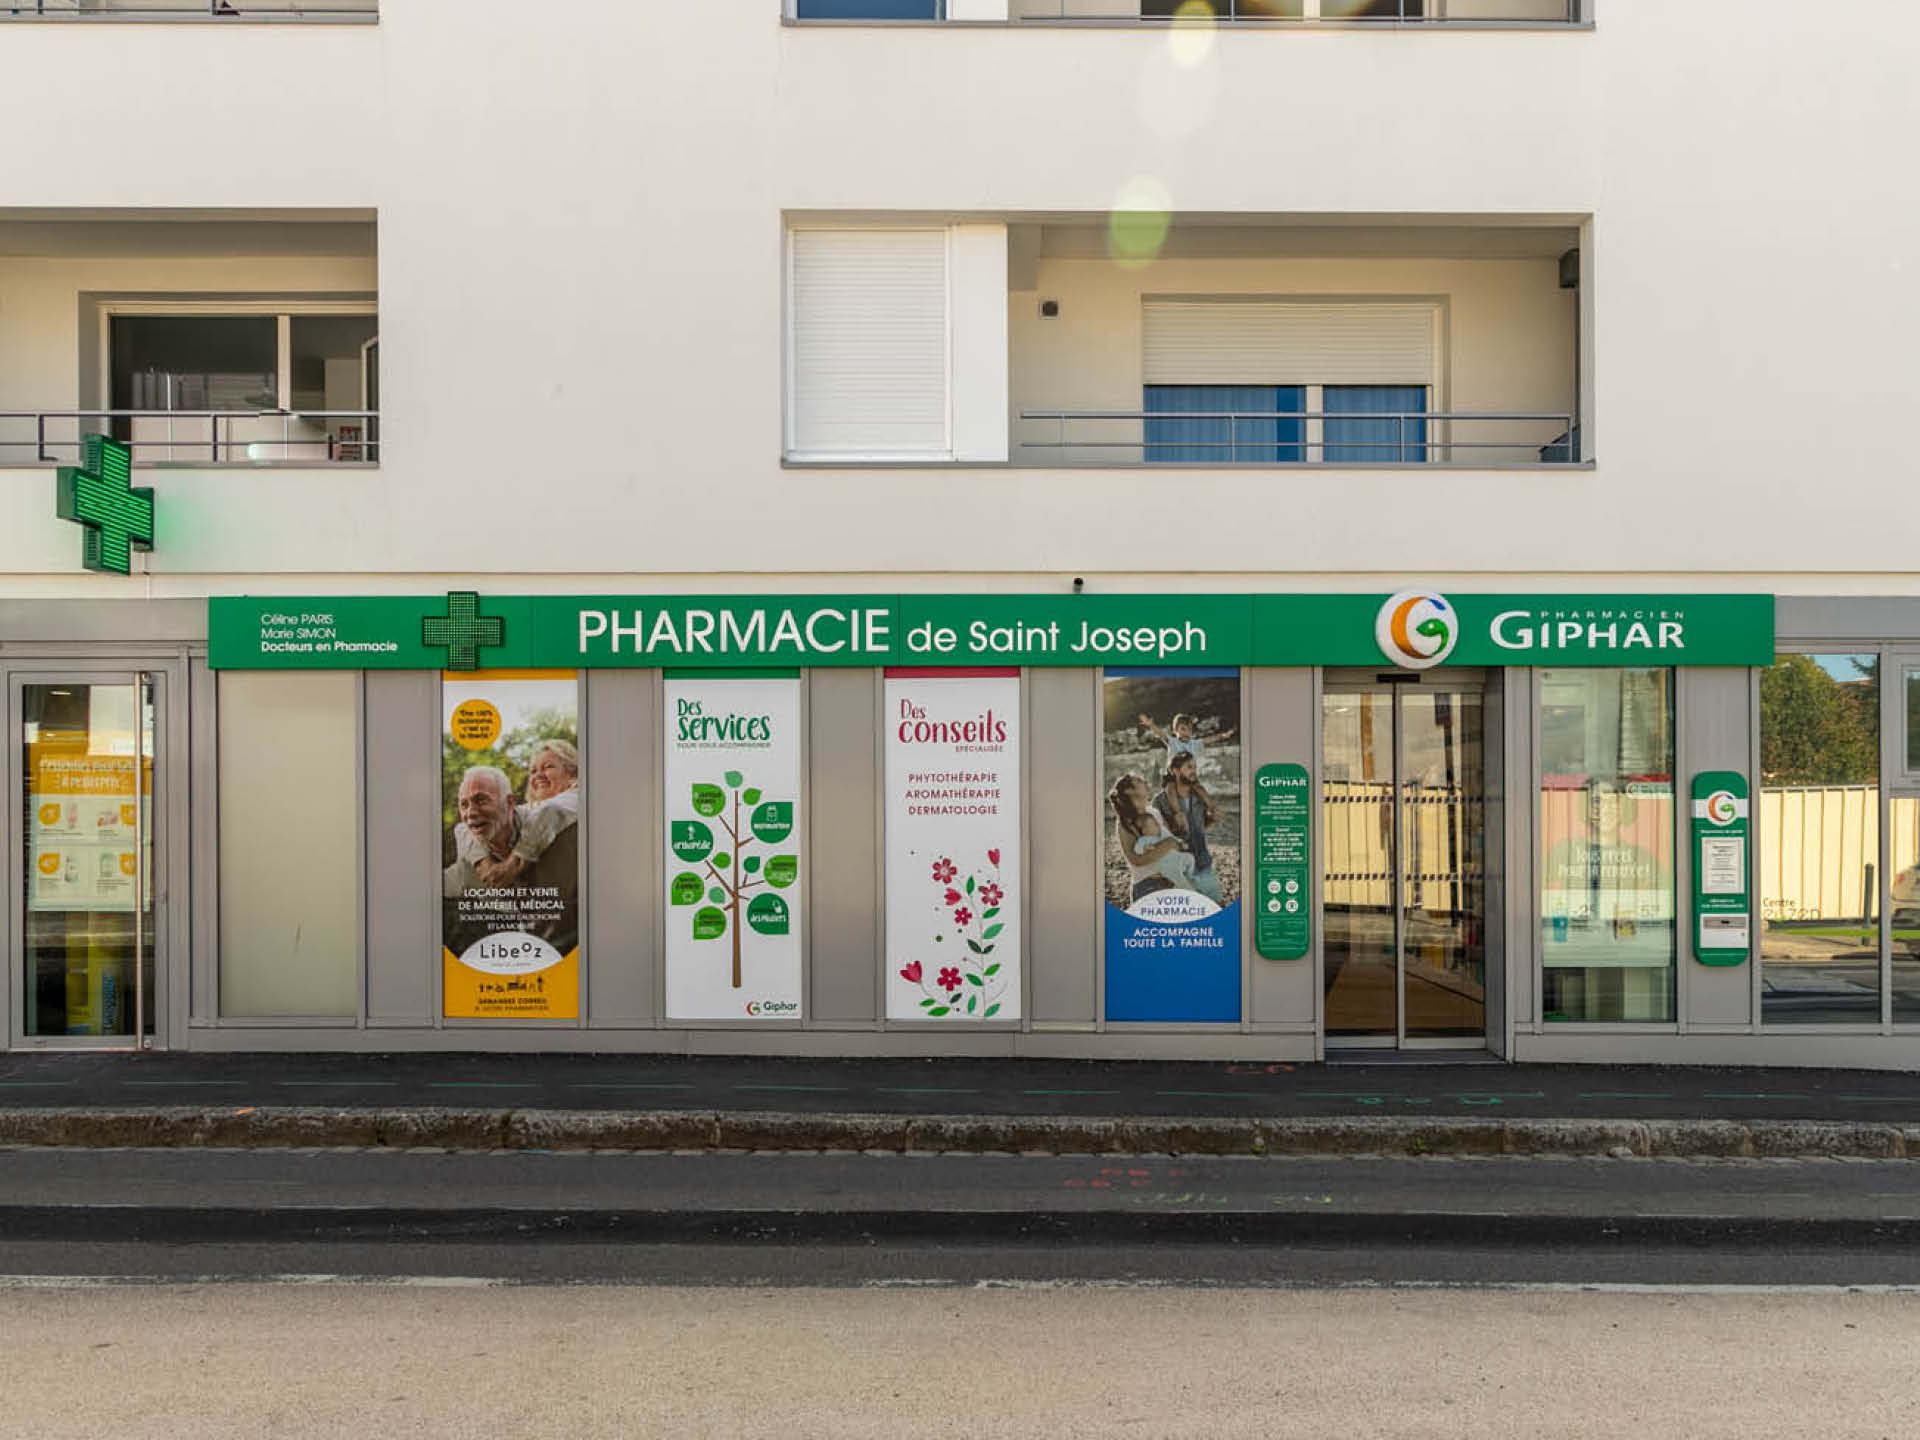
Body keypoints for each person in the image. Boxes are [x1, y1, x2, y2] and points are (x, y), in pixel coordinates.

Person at [459, 739, 580, 887]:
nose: (538, 775)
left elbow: (550, 811)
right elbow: (463, 828)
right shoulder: (534, 808)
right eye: (533, 771)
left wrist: (512, 865)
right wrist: (484, 864)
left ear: (572, 772)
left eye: (548, 767)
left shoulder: (579, 796)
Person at [1154, 751, 1224, 904]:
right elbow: (1156, 835)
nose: (1194, 771)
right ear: (1174, 770)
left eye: (1195, 767)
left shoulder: (1199, 797)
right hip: (1178, 868)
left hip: (1202, 861)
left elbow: (1202, 827)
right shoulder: (1159, 801)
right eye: (1189, 767)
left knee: (1216, 905)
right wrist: (1175, 825)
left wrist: (1213, 819)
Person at [1107, 771, 1188, 904]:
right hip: (1147, 886)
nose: (1145, 782)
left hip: (1170, 880)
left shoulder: (1154, 812)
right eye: (1140, 781)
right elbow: (1136, 860)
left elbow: (1169, 839)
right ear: (1131, 793)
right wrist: (1169, 844)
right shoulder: (1125, 823)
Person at [1137, 710, 1236, 771]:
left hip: (1188, 776)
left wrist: (1223, 735)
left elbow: (1210, 739)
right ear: (1175, 730)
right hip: (1173, 777)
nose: (1187, 733)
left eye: (1189, 730)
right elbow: (1160, 733)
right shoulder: (1172, 742)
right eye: (1183, 729)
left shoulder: (1194, 743)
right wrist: (1151, 725)